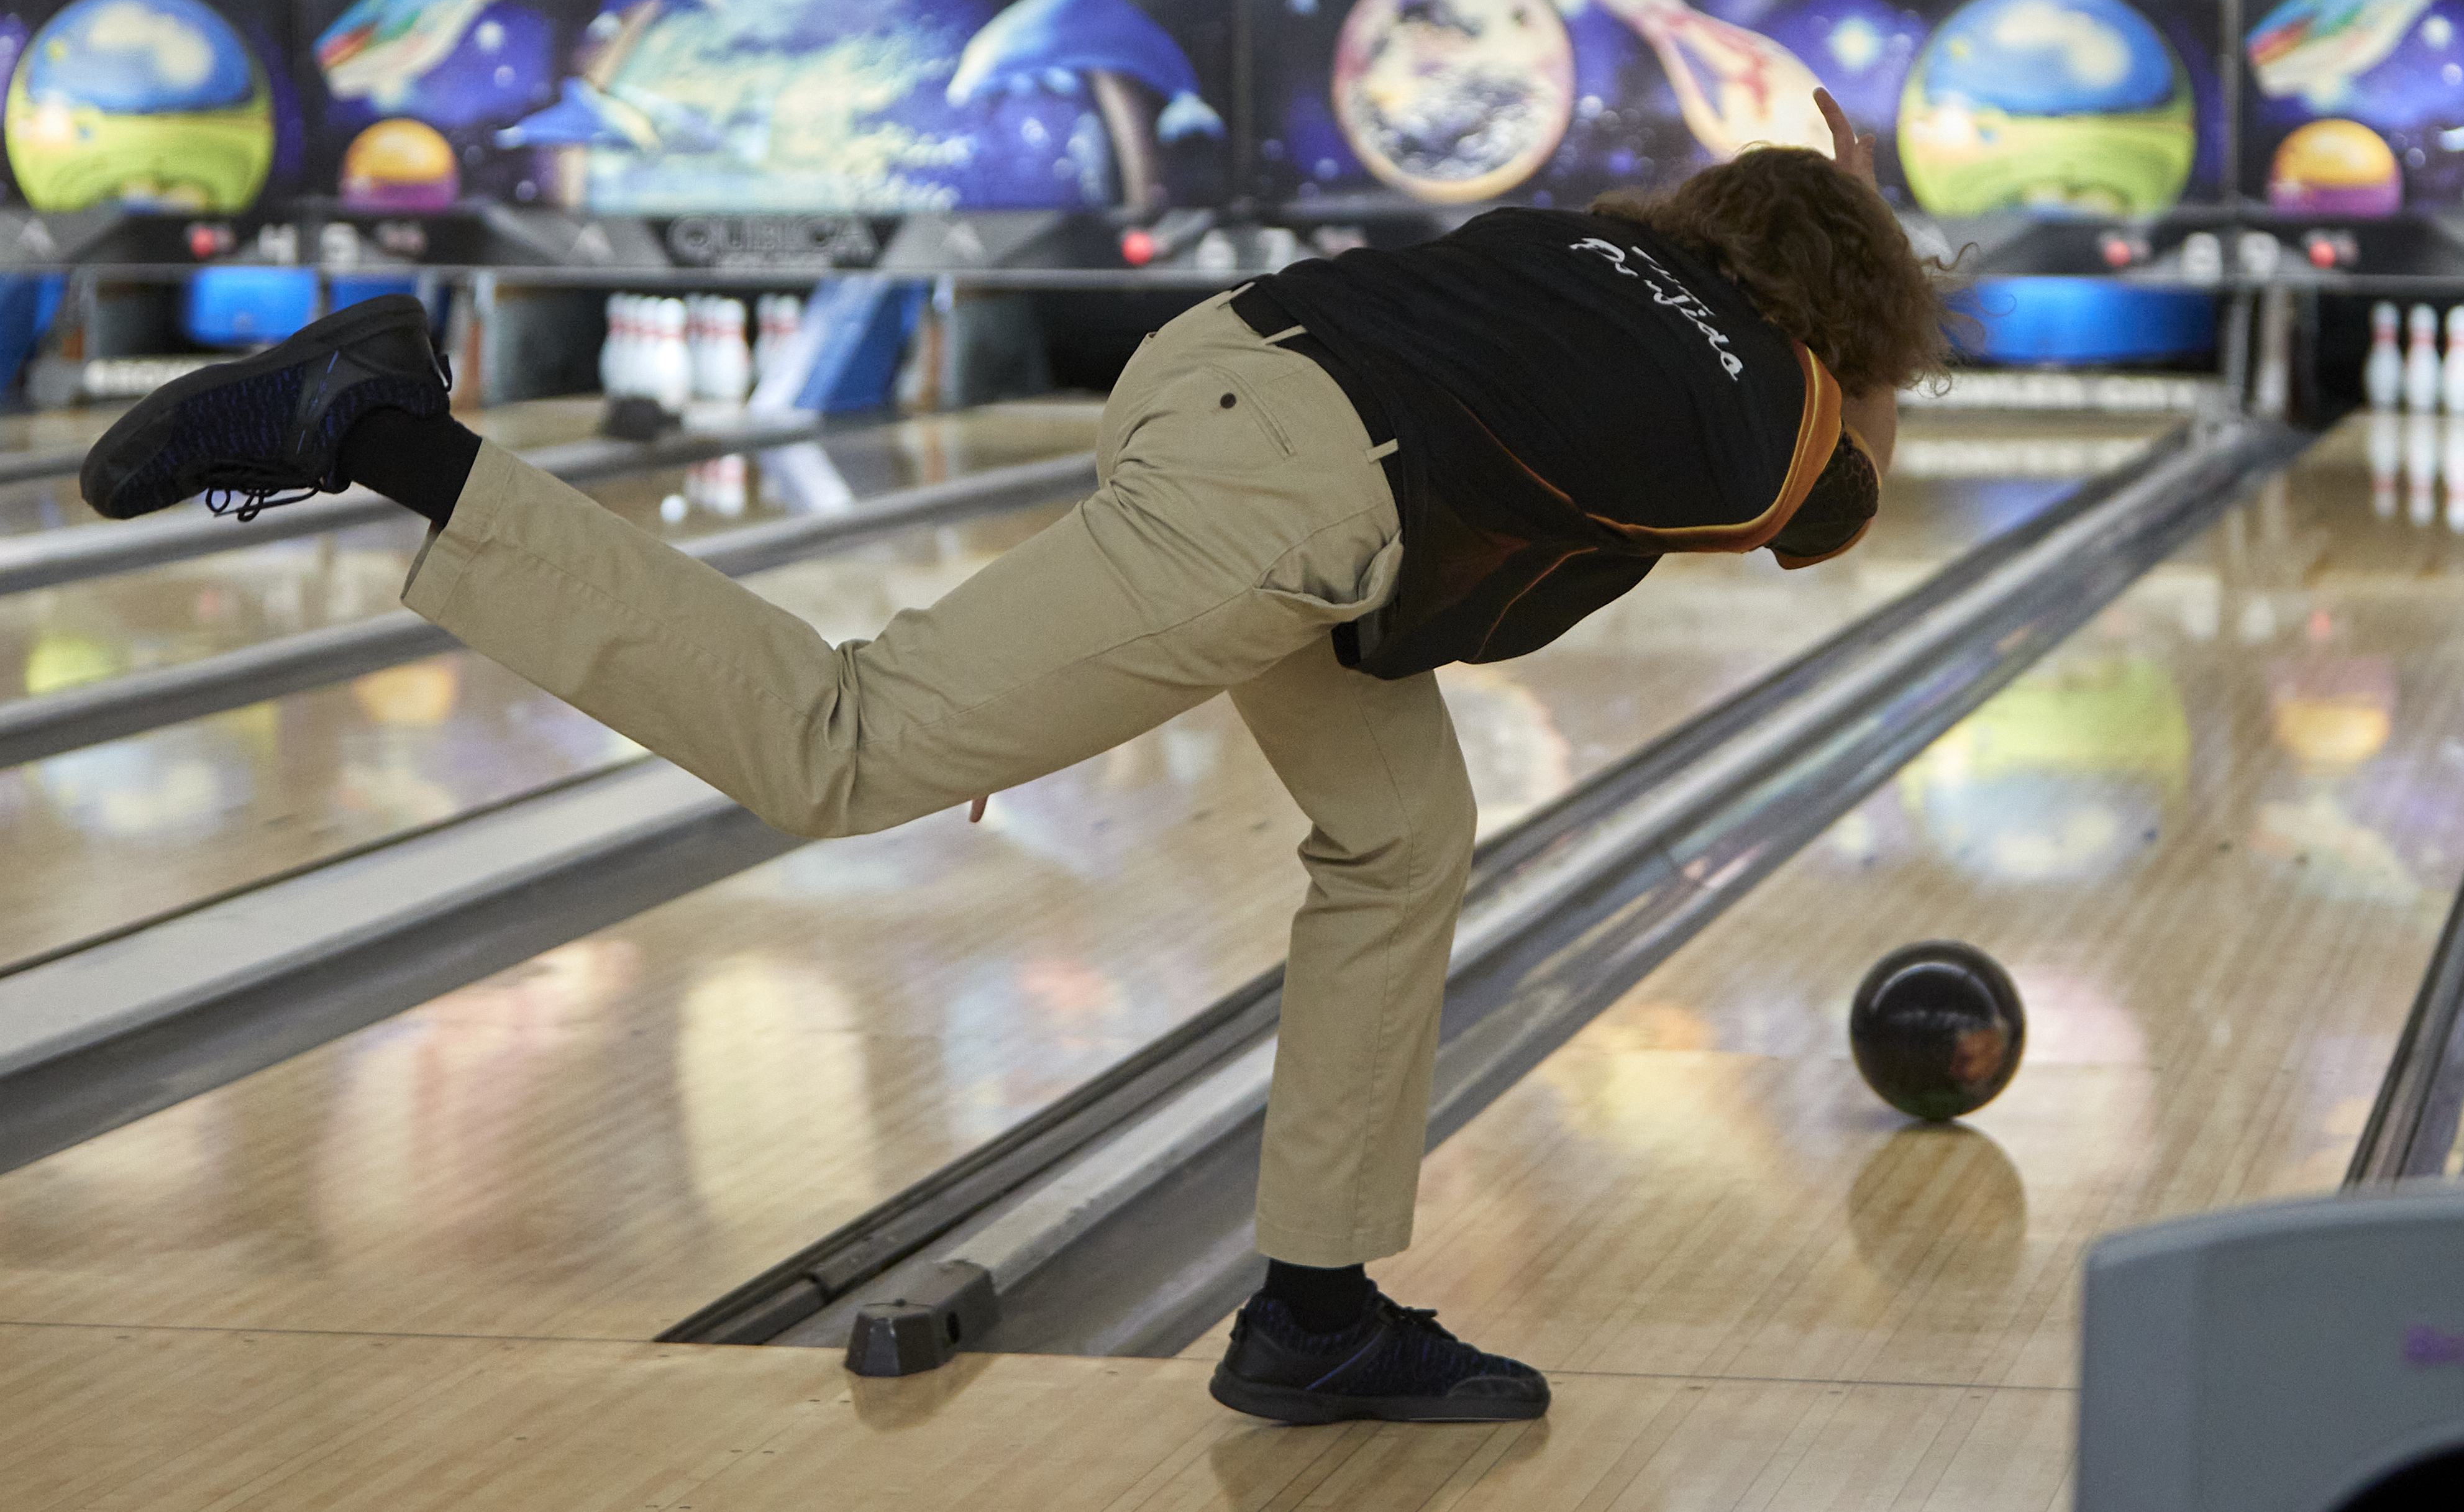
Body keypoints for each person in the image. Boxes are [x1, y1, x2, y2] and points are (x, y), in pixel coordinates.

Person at [81, 89, 1958, 1426]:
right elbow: (1844, 493)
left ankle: (1317, 1312)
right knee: (845, 743)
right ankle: (387, 428)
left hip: (1227, 372)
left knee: (1400, 830)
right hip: (1299, 493)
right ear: (1851, 323)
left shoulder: (1591, 254)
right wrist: (1880, 271)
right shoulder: (1774, 417)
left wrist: (1828, 215)